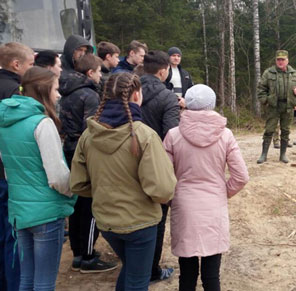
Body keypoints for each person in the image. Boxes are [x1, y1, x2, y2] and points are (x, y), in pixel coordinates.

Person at [70, 73, 176, 291]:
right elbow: (163, 189)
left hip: (107, 222)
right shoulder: (143, 135)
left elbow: (79, 184)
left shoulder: (88, 137)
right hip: (141, 224)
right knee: (138, 280)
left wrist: (106, 193)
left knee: (131, 270)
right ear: (137, 94)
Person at [163, 84, 249, 291]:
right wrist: (222, 193)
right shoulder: (225, 134)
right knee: (212, 275)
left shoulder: (173, 135)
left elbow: (163, 177)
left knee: (187, 274)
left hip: (183, 204)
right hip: (213, 205)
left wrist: (171, 198)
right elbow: (241, 176)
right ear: (212, 104)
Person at [0, 67, 77, 290]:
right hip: (46, 213)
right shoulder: (42, 124)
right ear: (44, 90)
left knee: (26, 278)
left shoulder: (5, 122)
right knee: (44, 282)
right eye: (55, 89)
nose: (59, 94)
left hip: (19, 210)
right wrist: (74, 191)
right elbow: (57, 177)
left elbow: (7, 167)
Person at [60, 53, 117, 273]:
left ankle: (77, 253)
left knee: (76, 204)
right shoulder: (90, 96)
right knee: (91, 204)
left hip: (69, 150)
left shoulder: (67, 92)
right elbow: (92, 130)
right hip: (84, 152)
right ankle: (88, 256)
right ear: (90, 72)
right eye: (100, 71)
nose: (102, 75)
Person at [139, 50, 180, 282]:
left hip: (127, 163)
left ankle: (135, 264)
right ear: (163, 71)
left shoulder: (128, 91)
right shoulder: (167, 98)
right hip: (155, 165)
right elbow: (171, 137)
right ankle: (152, 270)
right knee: (157, 218)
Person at [0, 41, 34, 291]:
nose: (32, 69)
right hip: (8, 174)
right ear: (16, 64)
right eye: (31, 65)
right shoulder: (15, 93)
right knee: (13, 239)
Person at [257, 50, 296, 164]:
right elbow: (261, 89)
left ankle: (283, 155)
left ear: (287, 61)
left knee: (286, 130)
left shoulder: (294, 73)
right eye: (278, 59)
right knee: (269, 130)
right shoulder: (268, 73)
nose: (280, 62)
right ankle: (264, 154)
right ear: (276, 61)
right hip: (273, 106)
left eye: (283, 60)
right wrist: (266, 101)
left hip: (288, 107)